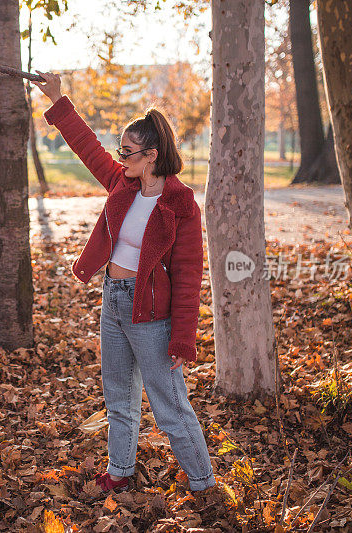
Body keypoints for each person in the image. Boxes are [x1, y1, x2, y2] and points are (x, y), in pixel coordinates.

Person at [35, 71, 219, 498]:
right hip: (114, 303)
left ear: (152, 155)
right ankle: (119, 471)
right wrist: (59, 101)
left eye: (129, 152)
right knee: (119, 398)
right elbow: (87, 147)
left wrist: (183, 340)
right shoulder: (123, 182)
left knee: (170, 408)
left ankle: (204, 485)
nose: (120, 159)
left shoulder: (180, 205)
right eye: (121, 151)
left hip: (152, 316)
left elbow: (190, 276)